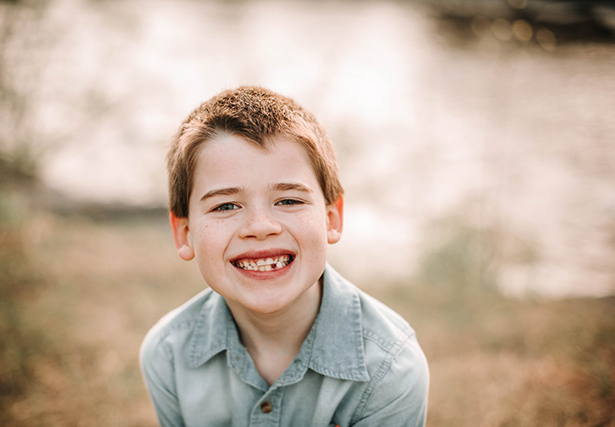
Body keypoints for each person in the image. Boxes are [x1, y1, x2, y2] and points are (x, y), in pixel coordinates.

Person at [140, 86, 429, 427]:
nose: (260, 227)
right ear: (184, 234)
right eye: (226, 205)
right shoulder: (167, 354)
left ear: (331, 218)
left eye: (289, 200)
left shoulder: (390, 369)